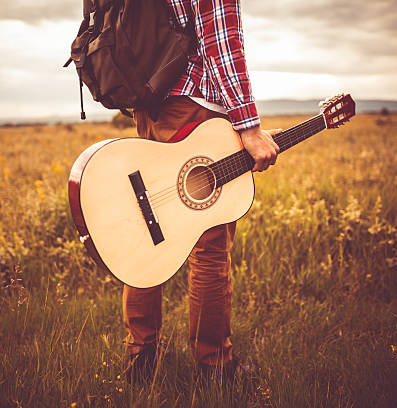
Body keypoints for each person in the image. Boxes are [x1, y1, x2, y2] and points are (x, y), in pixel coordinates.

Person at [123, 0, 281, 379]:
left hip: (149, 103)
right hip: (193, 107)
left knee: (149, 232)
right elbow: (220, 39)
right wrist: (248, 126)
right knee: (209, 245)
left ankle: (140, 357)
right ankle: (215, 365)